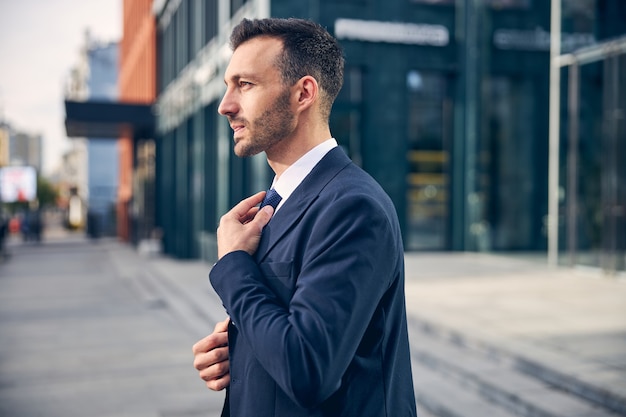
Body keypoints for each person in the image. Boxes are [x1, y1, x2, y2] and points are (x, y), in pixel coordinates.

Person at [192, 17, 417, 417]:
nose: (225, 105)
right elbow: (289, 329)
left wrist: (233, 266)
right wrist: (240, 348)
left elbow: (306, 368)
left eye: (245, 85)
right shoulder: (279, 204)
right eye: (228, 85)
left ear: (303, 93)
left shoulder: (352, 207)